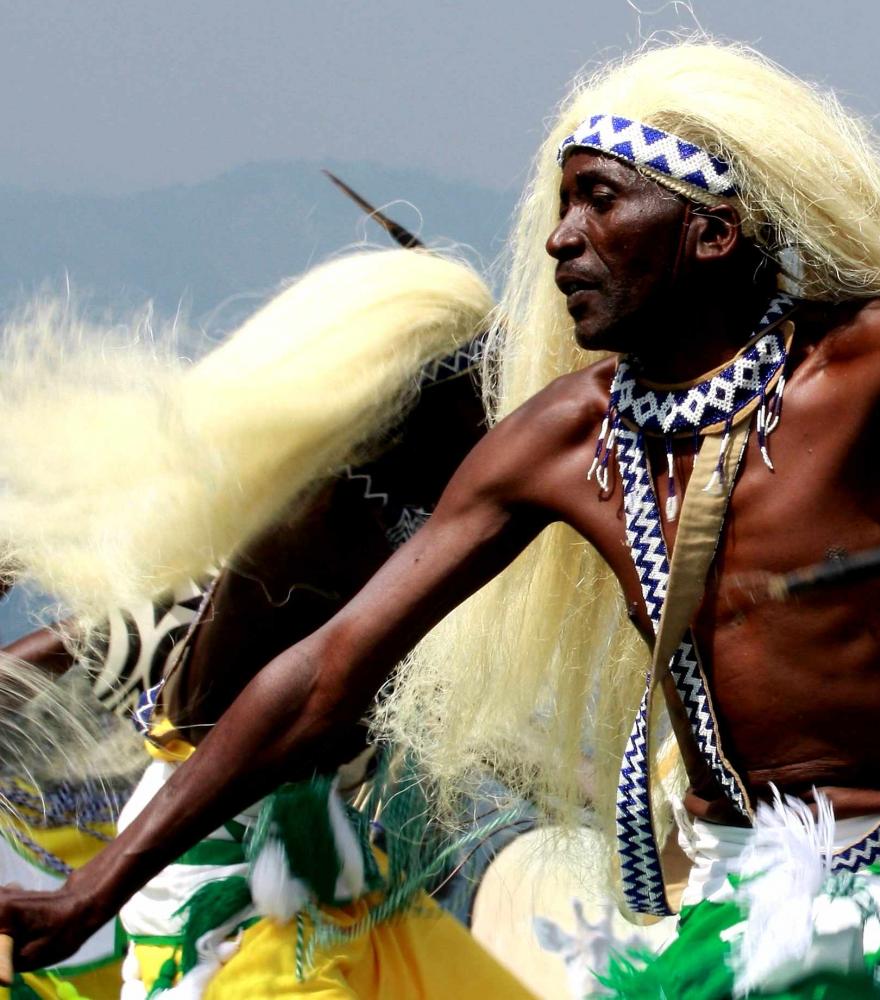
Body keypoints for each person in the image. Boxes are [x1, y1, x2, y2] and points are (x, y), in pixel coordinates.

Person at [2, 43, 880, 999]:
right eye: (557, 209)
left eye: (599, 202)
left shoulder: (872, 362)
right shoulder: (559, 444)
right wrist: (103, 889)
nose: (560, 237)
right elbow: (328, 677)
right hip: (730, 901)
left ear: (714, 231)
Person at [0, 249, 533, 997]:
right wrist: (96, 886)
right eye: (489, 392)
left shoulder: (380, 509)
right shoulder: (333, 529)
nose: (513, 423)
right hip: (226, 884)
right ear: (415, 406)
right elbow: (289, 704)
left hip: (314, 875)